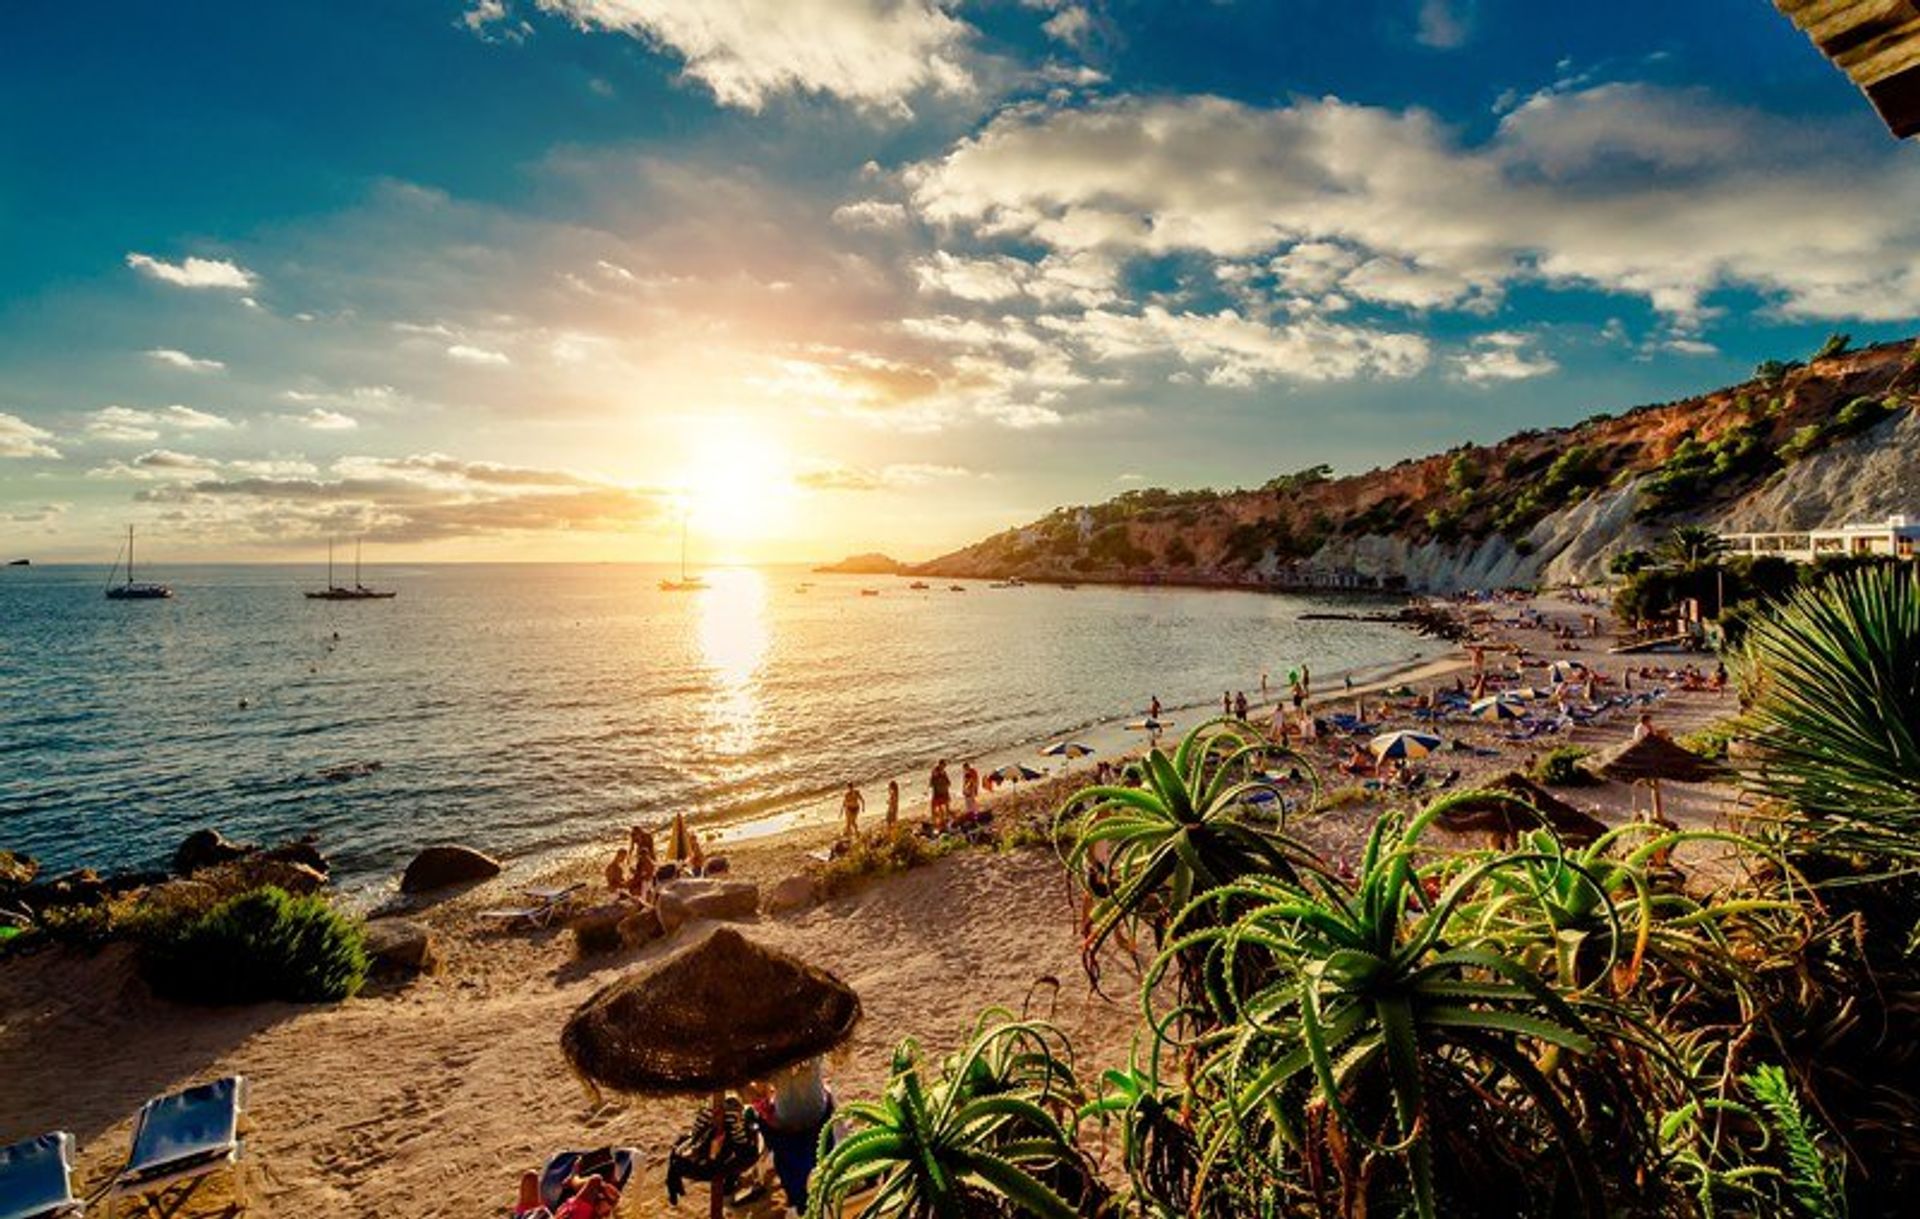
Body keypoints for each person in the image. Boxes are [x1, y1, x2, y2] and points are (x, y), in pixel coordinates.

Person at [515, 1167, 620, 1219]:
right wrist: (574, 1179)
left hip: (530, 1215)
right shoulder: (578, 1212)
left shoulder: (577, 1210)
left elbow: (595, 1180)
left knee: (531, 1176)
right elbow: (595, 1180)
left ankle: (573, 1180)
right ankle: (572, 1180)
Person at [929, 760, 952, 828]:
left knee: (945, 807)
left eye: (944, 766)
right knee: (938, 808)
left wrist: (946, 783)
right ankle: (938, 823)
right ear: (940, 764)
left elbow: (948, 782)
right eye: (943, 765)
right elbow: (932, 783)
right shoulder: (935, 771)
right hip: (938, 793)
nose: (943, 767)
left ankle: (944, 821)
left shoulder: (943, 772)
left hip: (943, 792)